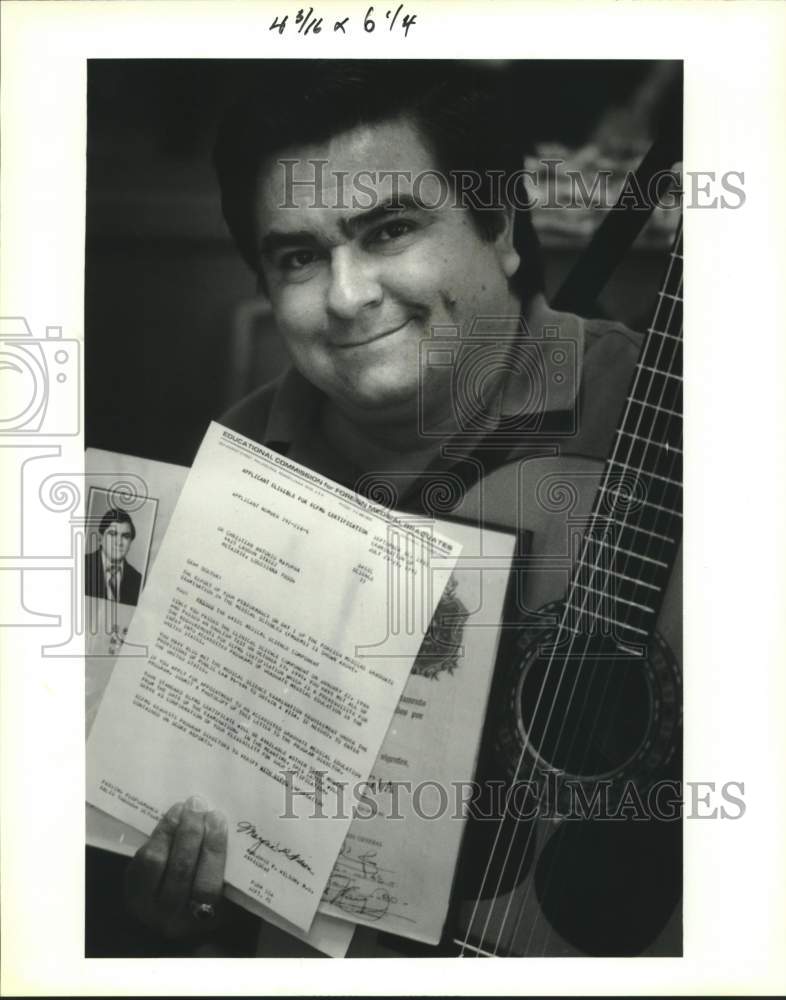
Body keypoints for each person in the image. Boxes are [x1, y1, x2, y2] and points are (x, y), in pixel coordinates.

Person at [106, 61, 668, 957]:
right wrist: (181, 908)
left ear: (501, 230)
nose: (347, 295)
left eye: (391, 229)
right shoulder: (233, 468)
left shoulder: (664, 417)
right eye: (298, 257)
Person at [84, 507, 143, 607]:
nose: (119, 542)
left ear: (130, 543)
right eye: (112, 534)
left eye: (125, 536)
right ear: (100, 538)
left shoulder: (138, 580)